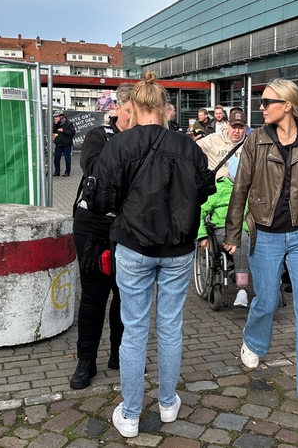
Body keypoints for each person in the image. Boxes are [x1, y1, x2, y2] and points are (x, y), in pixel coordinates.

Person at [92, 72, 213, 438]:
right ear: (165, 109)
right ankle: (166, 401)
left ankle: (130, 413)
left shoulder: (120, 145)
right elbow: (202, 191)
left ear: (135, 107)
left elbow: (101, 199)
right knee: (170, 325)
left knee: (135, 329)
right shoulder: (189, 147)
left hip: (135, 246)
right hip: (177, 249)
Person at [224, 78, 298, 414]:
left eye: (266, 102)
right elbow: (239, 190)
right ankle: (254, 340)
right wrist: (231, 234)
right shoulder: (255, 140)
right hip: (266, 234)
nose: (261, 108)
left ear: (287, 105)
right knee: (268, 300)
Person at [69, 85, 134, 390]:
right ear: (118, 108)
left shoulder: (146, 137)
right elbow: (95, 170)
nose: (136, 116)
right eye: (131, 109)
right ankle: (86, 361)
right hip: (94, 226)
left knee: (125, 296)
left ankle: (119, 354)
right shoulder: (99, 136)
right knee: (94, 296)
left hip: (130, 227)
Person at [197, 157, 251, 307]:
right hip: (223, 230)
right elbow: (200, 211)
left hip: (248, 229)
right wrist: (201, 236)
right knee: (241, 238)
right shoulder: (219, 189)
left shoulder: (251, 189)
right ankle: (242, 289)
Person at [197, 108, 248, 180]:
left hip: (239, 189)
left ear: (245, 128)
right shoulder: (214, 139)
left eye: (240, 128)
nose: (236, 131)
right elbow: (192, 148)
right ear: (228, 125)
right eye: (233, 127)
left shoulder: (250, 144)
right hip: (217, 188)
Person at [52, 110, 75, 177]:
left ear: (61, 116)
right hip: (58, 144)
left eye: (57, 117)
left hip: (66, 144)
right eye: (55, 117)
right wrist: (55, 125)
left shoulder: (69, 123)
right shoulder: (56, 124)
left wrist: (63, 130)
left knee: (67, 158)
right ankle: (57, 171)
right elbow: (53, 131)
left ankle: (67, 172)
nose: (55, 118)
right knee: (56, 158)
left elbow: (72, 133)